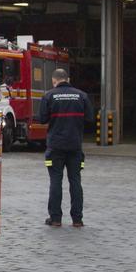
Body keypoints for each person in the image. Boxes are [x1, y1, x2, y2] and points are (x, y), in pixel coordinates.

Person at [36, 68, 93, 227]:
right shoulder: (82, 96)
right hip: (75, 146)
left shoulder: (48, 96)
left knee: (55, 181)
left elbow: (41, 119)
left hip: (55, 146)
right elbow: (89, 119)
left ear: (54, 81)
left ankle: (55, 219)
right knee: (75, 181)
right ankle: (77, 219)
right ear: (68, 79)